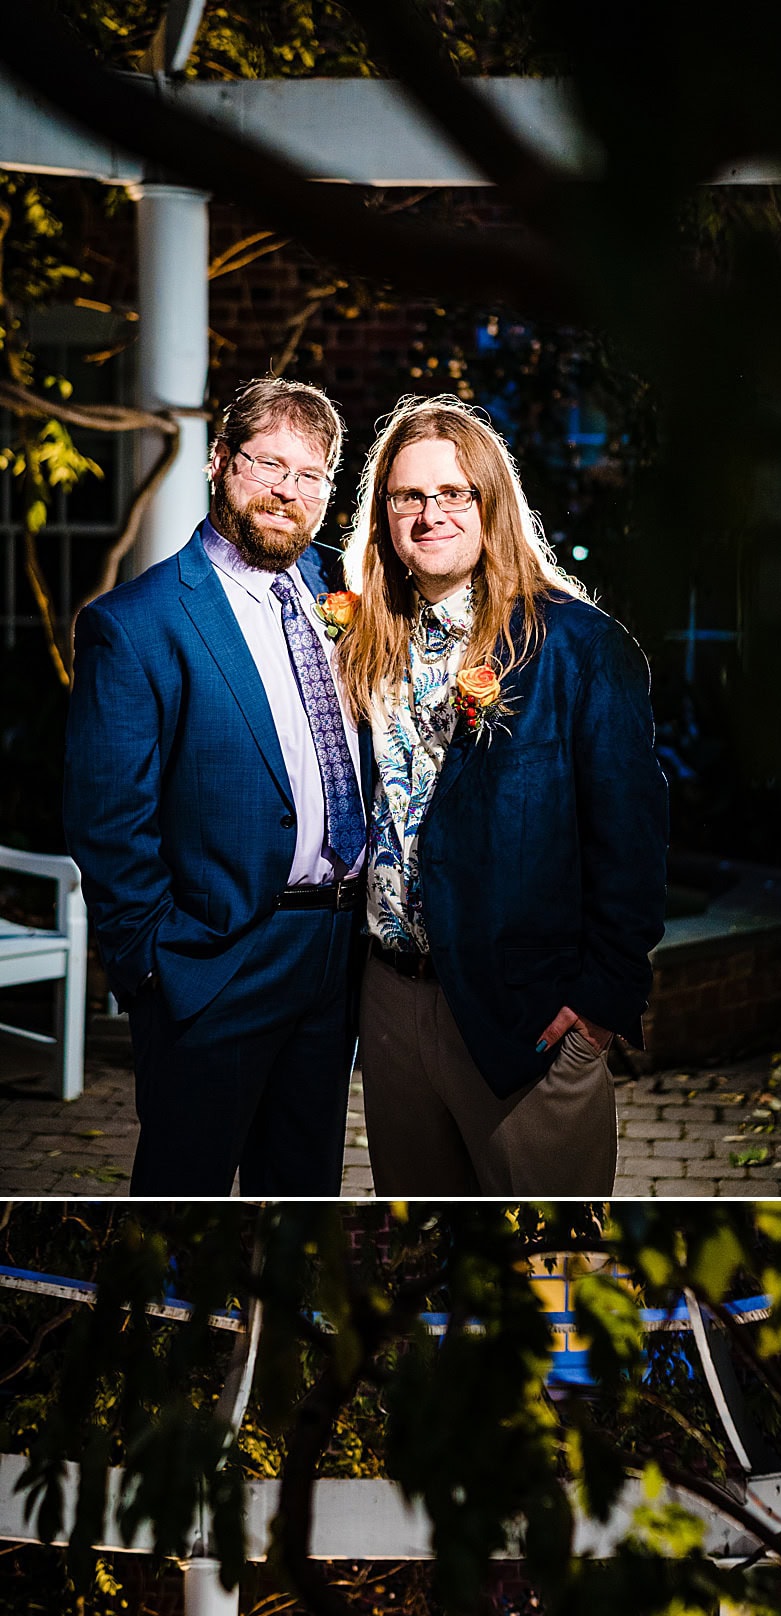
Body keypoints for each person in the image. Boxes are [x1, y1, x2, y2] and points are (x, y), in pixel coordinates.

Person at [334, 395, 669, 1195]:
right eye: (409, 495)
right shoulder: (357, 646)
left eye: (455, 493)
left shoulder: (579, 649)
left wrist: (600, 1005)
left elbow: (633, 839)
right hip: (389, 1000)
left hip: (526, 1016)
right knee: (423, 1266)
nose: (430, 514)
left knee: (547, 1273)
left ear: (493, 503)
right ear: (383, 514)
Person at [62, 377, 369, 1194]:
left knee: (303, 1199)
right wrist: (157, 969)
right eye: (268, 464)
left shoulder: (343, 593)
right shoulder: (136, 623)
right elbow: (106, 823)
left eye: (310, 476)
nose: (287, 492)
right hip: (214, 960)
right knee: (181, 1203)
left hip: (336, 954)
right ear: (219, 461)